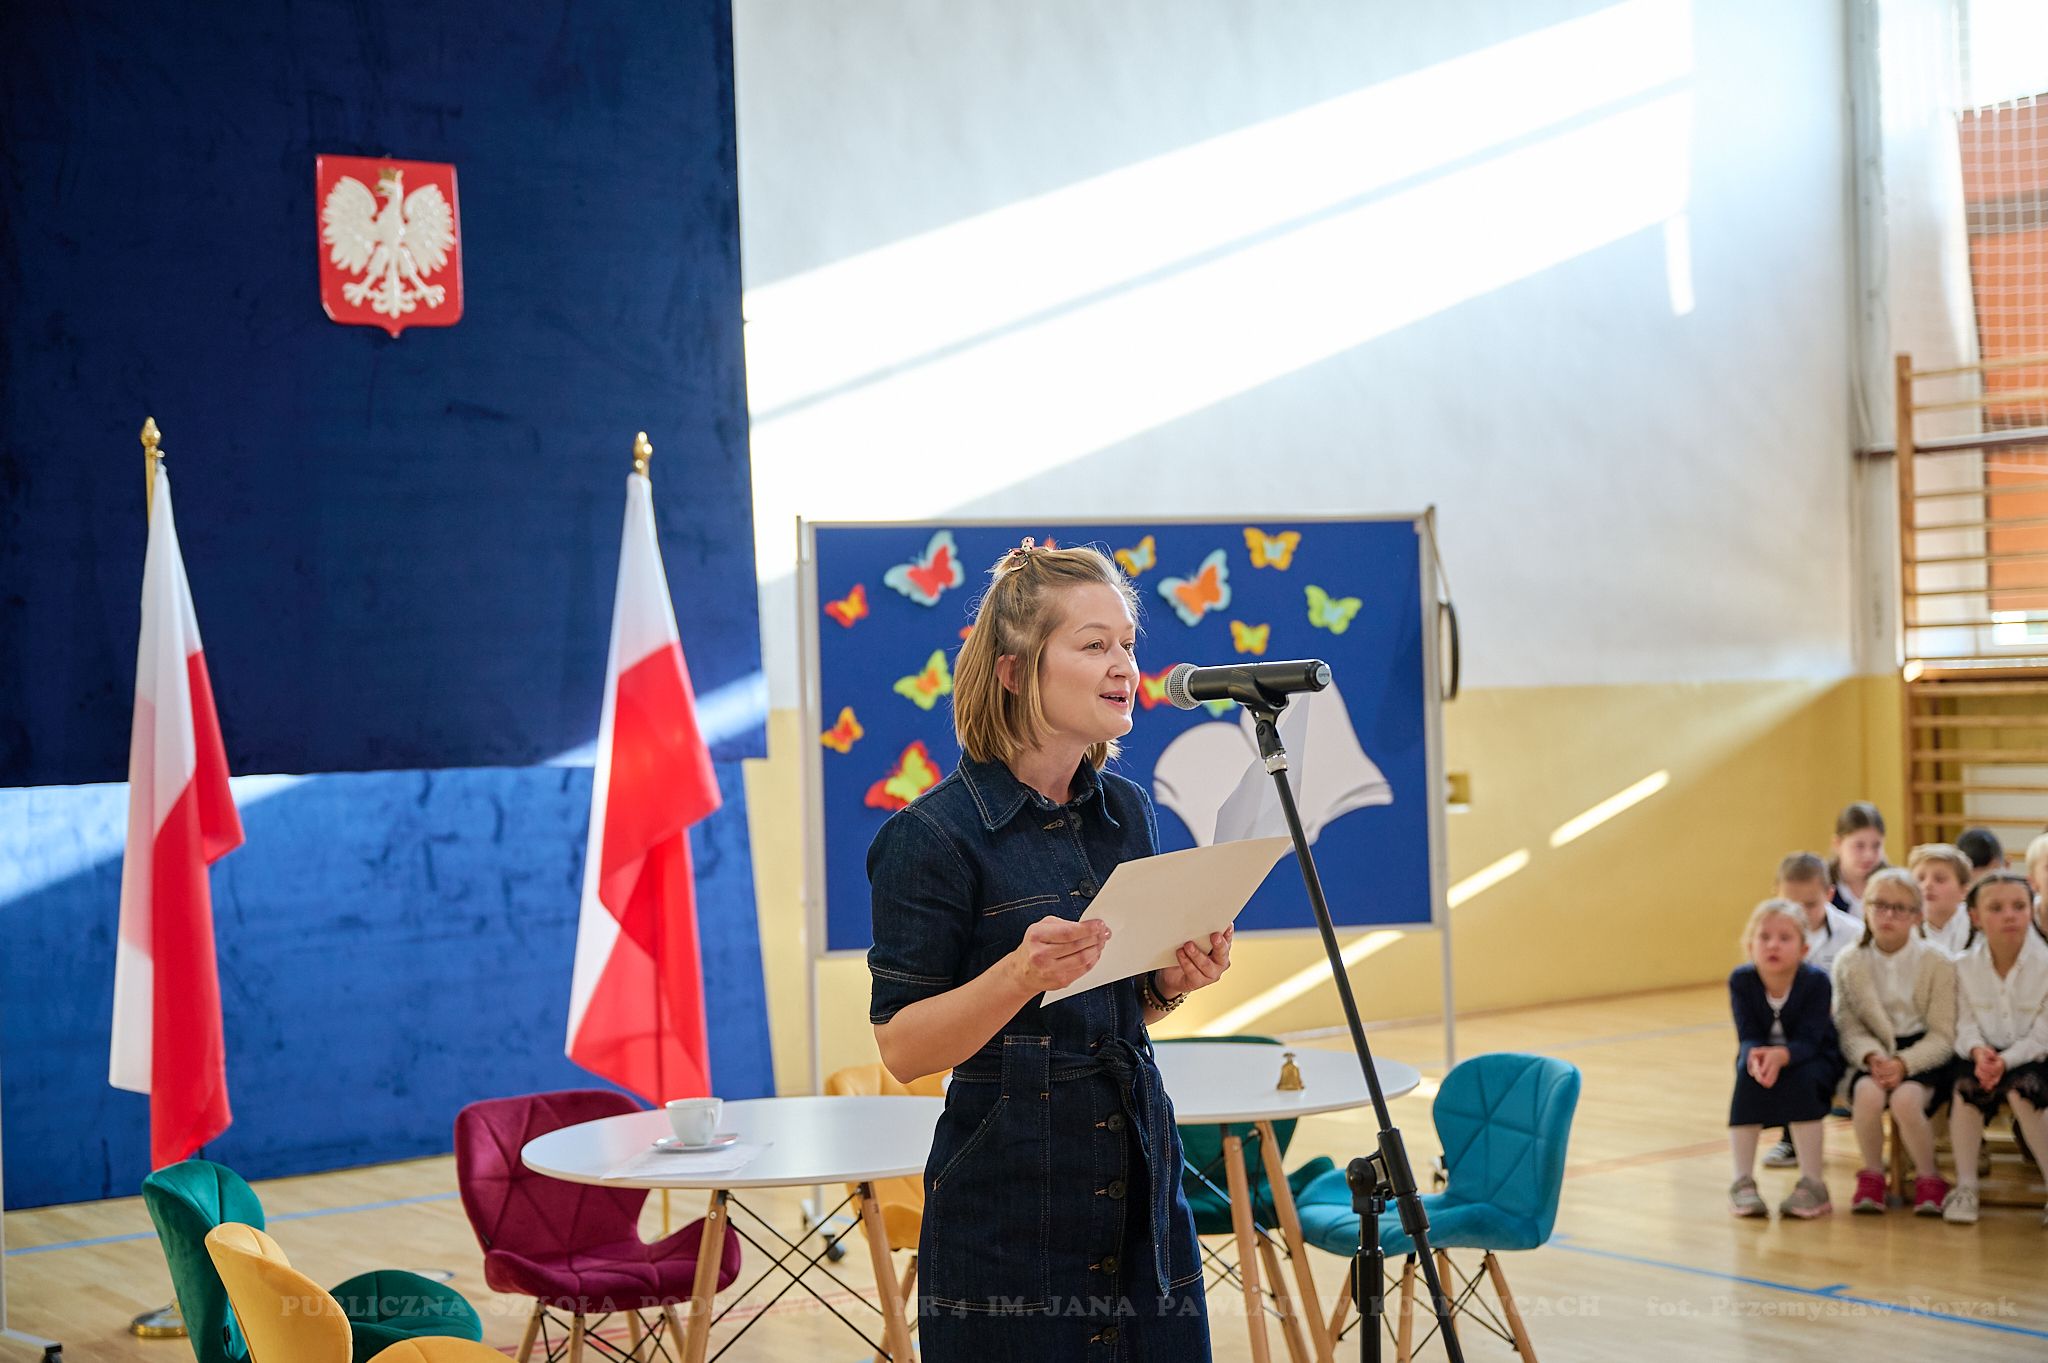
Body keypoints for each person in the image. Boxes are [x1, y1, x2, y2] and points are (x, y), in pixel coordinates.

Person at [866, 541, 1229, 1358]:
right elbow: (904, 1048)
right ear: (1012, 670)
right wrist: (1018, 972)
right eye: (1094, 644)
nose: (1124, 666)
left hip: (1142, 1193)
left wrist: (1170, 984)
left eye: (1128, 643)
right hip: (1009, 1215)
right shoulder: (930, 837)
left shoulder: (1128, 812)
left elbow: (1110, 1012)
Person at [1830, 869, 1957, 1215]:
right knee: (1867, 1094)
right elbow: (1848, 1026)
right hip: (1873, 1051)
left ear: (1917, 915)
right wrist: (1871, 1056)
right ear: (1866, 909)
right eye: (1879, 905)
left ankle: (1929, 1176)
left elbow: (1944, 1034)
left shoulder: (1937, 962)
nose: (1888, 915)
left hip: (1923, 1051)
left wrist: (1904, 1063)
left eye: (1900, 908)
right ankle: (1872, 1174)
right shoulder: (1850, 961)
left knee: (1905, 1099)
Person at [1943, 873, 2048, 1225]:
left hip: (2033, 1055)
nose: (2009, 916)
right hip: (1982, 1056)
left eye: (2019, 906)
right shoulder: (1962, 966)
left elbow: (2043, 1037)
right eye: (1996, 908)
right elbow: (1963, 1024)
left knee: (2024, 1092)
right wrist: (1978, 1052)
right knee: (1966, 1089)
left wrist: (2005, 1060)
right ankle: (1966, 1186)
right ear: (1975, 916)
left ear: (2031, 910)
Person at [1728, 898, 1842, 1219]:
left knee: (1803, 1079)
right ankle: (1742, 1181)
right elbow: (1747, 1034)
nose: (1773, 945)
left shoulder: (1816, 982)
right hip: (1766, 1056)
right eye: (1764, 937)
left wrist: (1781, 1056)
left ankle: (1813, 1183)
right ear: (1750, 945)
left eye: (1784, 938)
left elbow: (1811, 1039)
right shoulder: (1742, 980)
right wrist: (1756, 1057)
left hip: (1814, 1057)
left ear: (1804, 949)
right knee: (1746, 1074)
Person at [1761, 854, 1859, 1167]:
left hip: (1842, 1030)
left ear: (1829, 894)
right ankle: (1789, 1137)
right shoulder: (1766, 937)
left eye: (1810, 905)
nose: (1799, 914)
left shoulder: (1854, 934)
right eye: (1790, 904)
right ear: (1775, 893)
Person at [1910, 843, 1976, 958]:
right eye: (1920, 879)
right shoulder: (1906, 926)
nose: (1927, 885)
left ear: (1963, 891)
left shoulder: (1976, 925)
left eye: (1940, 880)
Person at [1829, 802, 1889, 919]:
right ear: (1838, 843)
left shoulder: (1893, 886)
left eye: (1876, 846)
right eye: (1859, 846)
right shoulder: (1823, 885)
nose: (1868, 855)